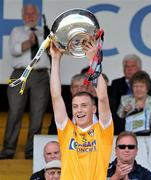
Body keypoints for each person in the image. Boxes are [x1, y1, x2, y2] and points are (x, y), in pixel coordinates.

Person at [49, 37, 114, 179]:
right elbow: (55, 96)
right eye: (75, 106)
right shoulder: (66, 131)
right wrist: (55, 59)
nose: (79, 110)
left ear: (94, 109)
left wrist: (93, 60)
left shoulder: (103, 131)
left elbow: (102, 97)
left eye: (84, 105)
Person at [0, 4, 50, 159]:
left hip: (40, 75)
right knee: (15, 112)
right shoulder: (17, 31)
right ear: (22, 16)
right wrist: (28, 43)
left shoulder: (45, 32)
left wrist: (50, 42)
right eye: (27, 13)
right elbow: (14, 50)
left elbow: (53, 53)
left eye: (33, 13)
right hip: (20, 73)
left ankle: (32, 150)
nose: (30, 16)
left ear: (38, 15)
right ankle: (8, 149)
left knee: (37, 114)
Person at [117, 70, 151, 135]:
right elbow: (118, 118)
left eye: (141, 86)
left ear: (147, 88)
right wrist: (124, 112)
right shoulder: (125, 99)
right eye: (135, 86)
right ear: (132, 88)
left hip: (150, 137)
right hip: (129, 136)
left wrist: (144, 120)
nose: (138, 89)